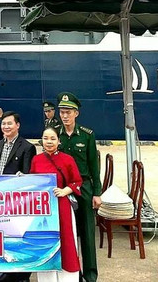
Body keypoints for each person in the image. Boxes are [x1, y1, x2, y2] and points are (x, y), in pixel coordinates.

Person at [56, 92, 101, 282]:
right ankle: (72, 273)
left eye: (68, 112)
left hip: (83, 187)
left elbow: (93, 166)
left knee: (87, 232)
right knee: (65, 232)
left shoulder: (87, 135)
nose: (64, 116)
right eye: (62, 112)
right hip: (62, 189)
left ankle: (90, 275)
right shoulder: (54, 134)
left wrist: (97, 193)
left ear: (76, 114)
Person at [31, 127, 82, 282]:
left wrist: (65, 191)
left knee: (66, 243)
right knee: (46, 243)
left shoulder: (67, 159)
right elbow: (32, 181)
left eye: (53, 138)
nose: (49, 142)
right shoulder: (36, 160)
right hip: (43, 210)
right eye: (46, 138)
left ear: (59, 141)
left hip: (62, 207)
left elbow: (77, 181)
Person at [0, 111, 35, 282]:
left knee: (18, 237)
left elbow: (27, 176)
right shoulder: (0, 144)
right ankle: (7, 270)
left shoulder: (27, 147)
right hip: (0, 197)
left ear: (18, 125)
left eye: (10, 123)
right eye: (4, 124)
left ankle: (22, 275)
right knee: (5, 236)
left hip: (17, 200)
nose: (6, 126)